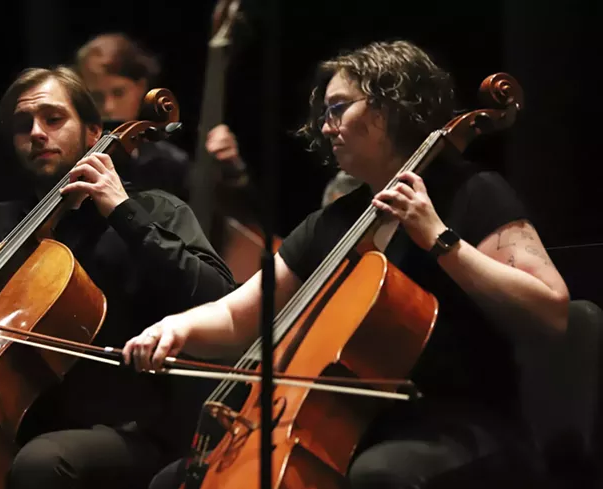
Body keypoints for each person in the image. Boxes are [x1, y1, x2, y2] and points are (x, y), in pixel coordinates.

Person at [124, 40, 570, 488]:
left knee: (379, 477)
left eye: (338, 108)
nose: (325, 126)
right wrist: (174, 328)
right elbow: (240, 314)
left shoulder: (473, 194)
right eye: (324, 113)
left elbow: (551, 311)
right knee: (174, 481)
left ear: (392, 106)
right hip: (354, 423)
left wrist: (439, 238)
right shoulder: (335, 222)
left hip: (461, 422)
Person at [0, 66, 236, 489]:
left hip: (132, 427)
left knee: (39, 463)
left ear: (93, 132)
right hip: (11, 420)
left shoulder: (154, 211)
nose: (37, 133)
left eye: (53, 118)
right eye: (23, 125)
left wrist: (123, 212)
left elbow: (218, 294)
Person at [74, 33, 248, 201]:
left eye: (119, 93)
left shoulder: (168, 162)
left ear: (141, 87)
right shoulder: (74, 158)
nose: (108, 107)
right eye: (97, 97)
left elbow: (223, 210)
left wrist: (231, 171)